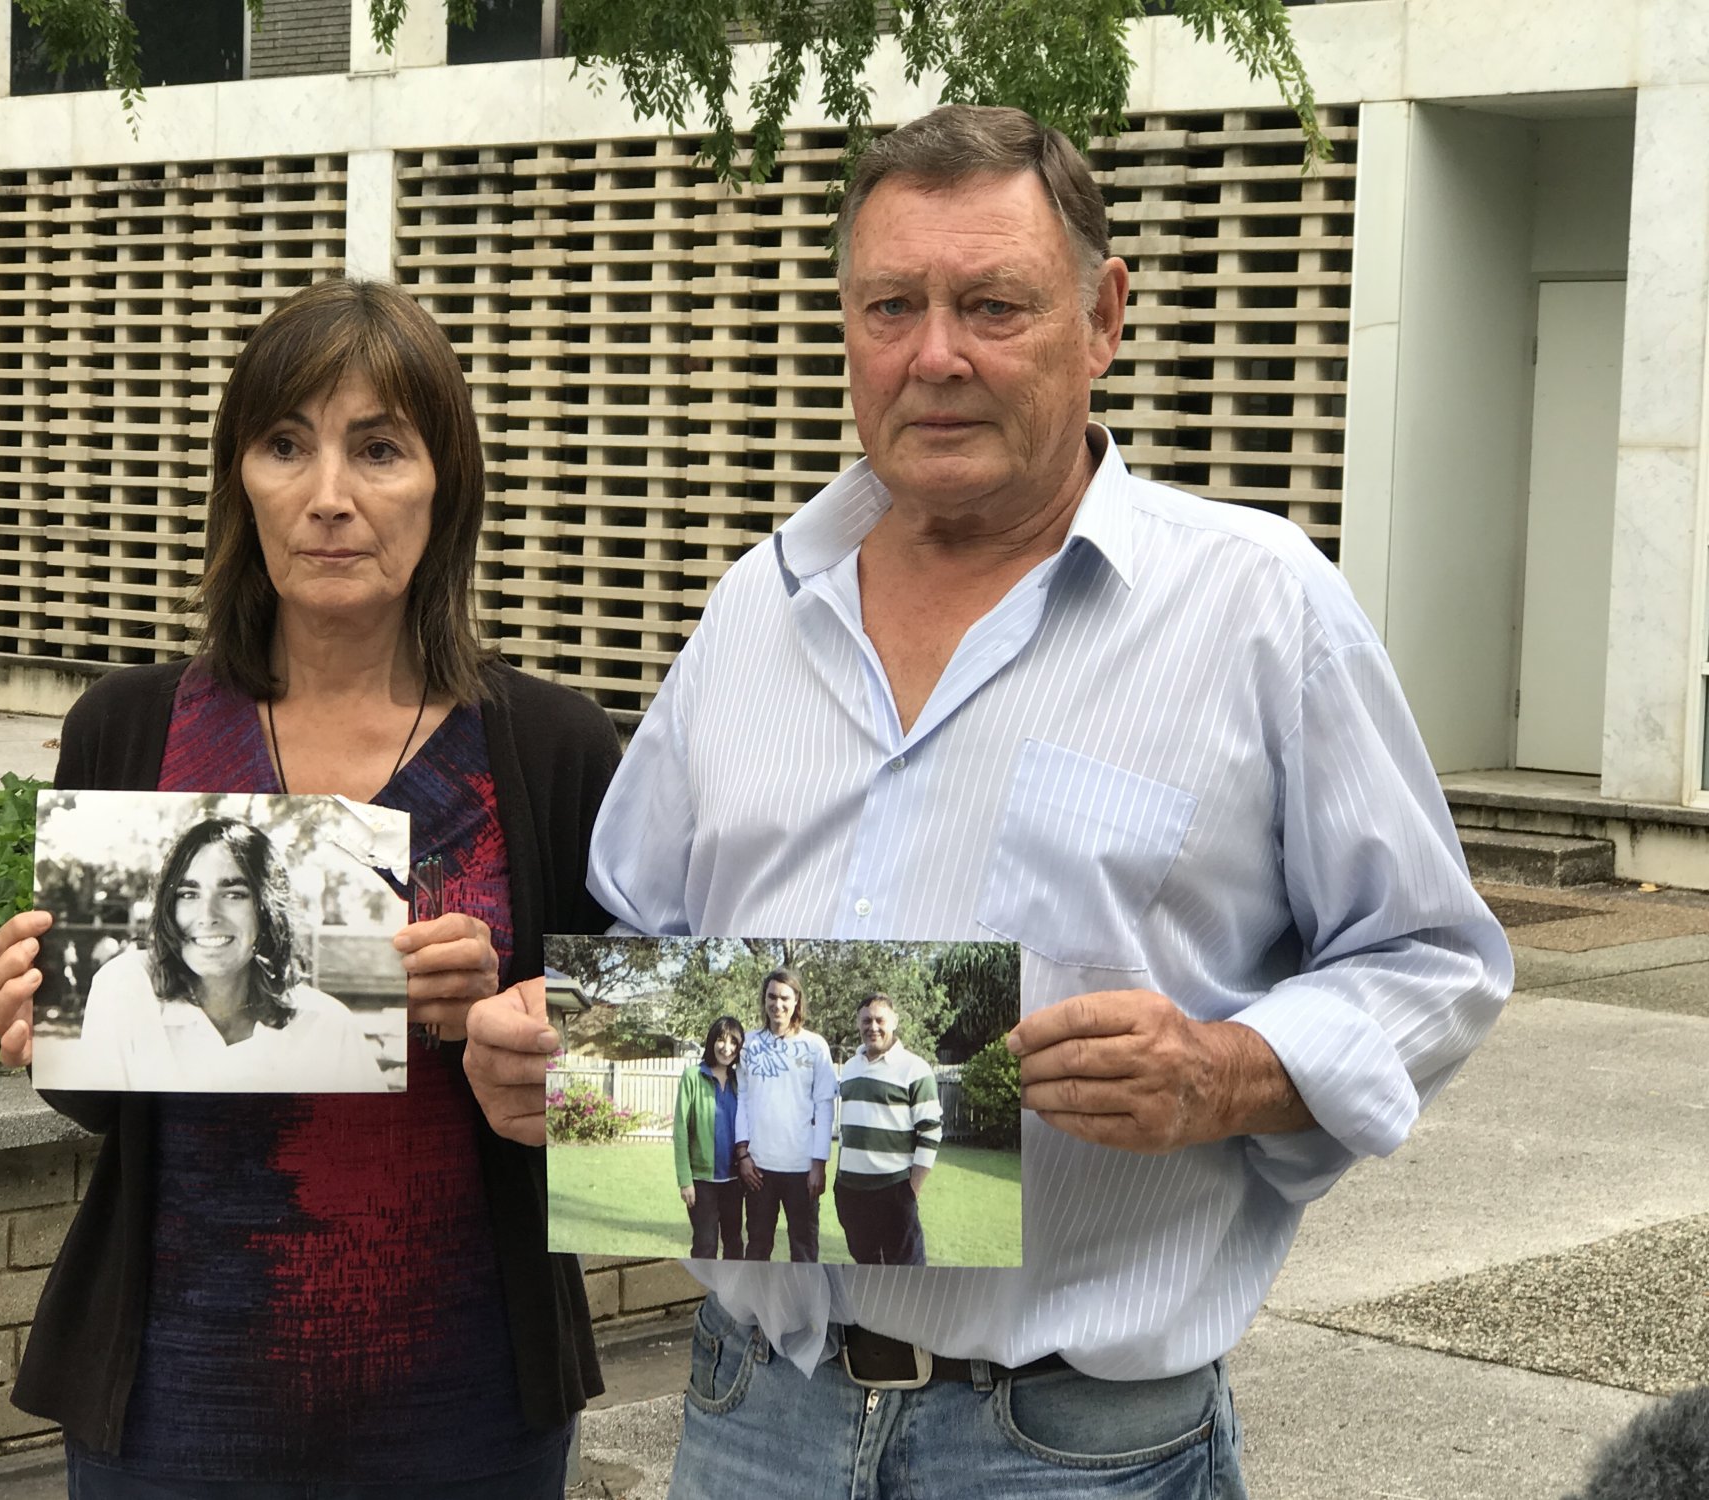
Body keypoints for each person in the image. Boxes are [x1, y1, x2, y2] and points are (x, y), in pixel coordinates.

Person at [562, 104, 1514, 1496]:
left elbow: (1435, 960)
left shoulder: (1255, 606)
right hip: (753, 1417)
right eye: (892, 304)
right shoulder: (754, 613)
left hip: (1070, 1450)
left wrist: (1226, 1073)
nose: (934, 354)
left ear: (1103, 317)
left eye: (992, 305)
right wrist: (566, 1055)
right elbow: (636, 945)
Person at [0, 276, 619, 1498]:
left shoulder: (551, 751)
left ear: (446, 485)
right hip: (169, 1394)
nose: (329, 498)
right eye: (284, 446)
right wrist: (40, 1020)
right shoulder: (129, 728)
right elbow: (110, 1104)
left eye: (379, 448)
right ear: (240, 481)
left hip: (469, 1398)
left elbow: (627, 1101)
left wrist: (517, 1027)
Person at [68, 815, 386, 1093]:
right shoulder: (128, 988)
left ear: (266, 909)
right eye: (188, 894)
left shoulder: (327, 1025)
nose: (208, 915)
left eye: (233, 894)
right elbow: (97, 1120)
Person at [730, 967, 837, 1262]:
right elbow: (743, 1098)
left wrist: (819, 1164)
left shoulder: (816, 1046)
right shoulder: (748, 1044)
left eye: (785, 998)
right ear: (764, 1000)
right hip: (758, 1170)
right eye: (772, 997)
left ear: (796, 1001)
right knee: (758, 1248)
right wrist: (743, 1155)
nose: (778, 1004)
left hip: (802, 1170)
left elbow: (824, 1107)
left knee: (804, 1250)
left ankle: (804, 1306)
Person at [832, 994, 940, 1267]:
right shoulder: (851, 1067)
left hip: (893, 1192)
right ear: (858, 1024)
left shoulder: (914, 1069)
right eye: (866, 1020)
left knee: (907, 1272)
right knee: (866, 1268)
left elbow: (930, 1132)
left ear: (894, 1022)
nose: (873, 1027)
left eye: (880, 1020)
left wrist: (911, 1191)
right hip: (851, 1192)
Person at [672, 1015, 744, 1259]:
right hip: (701, 1182)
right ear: (712, 1041)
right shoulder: (693, 1076)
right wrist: (685, 1180)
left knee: (734, 1244)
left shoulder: (740, 1080)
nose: (727, 1048)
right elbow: (681, 1128)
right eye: (722, 1040)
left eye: (734, 1042)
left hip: (735, 1180)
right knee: (705, 1245)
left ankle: (734, 1295)